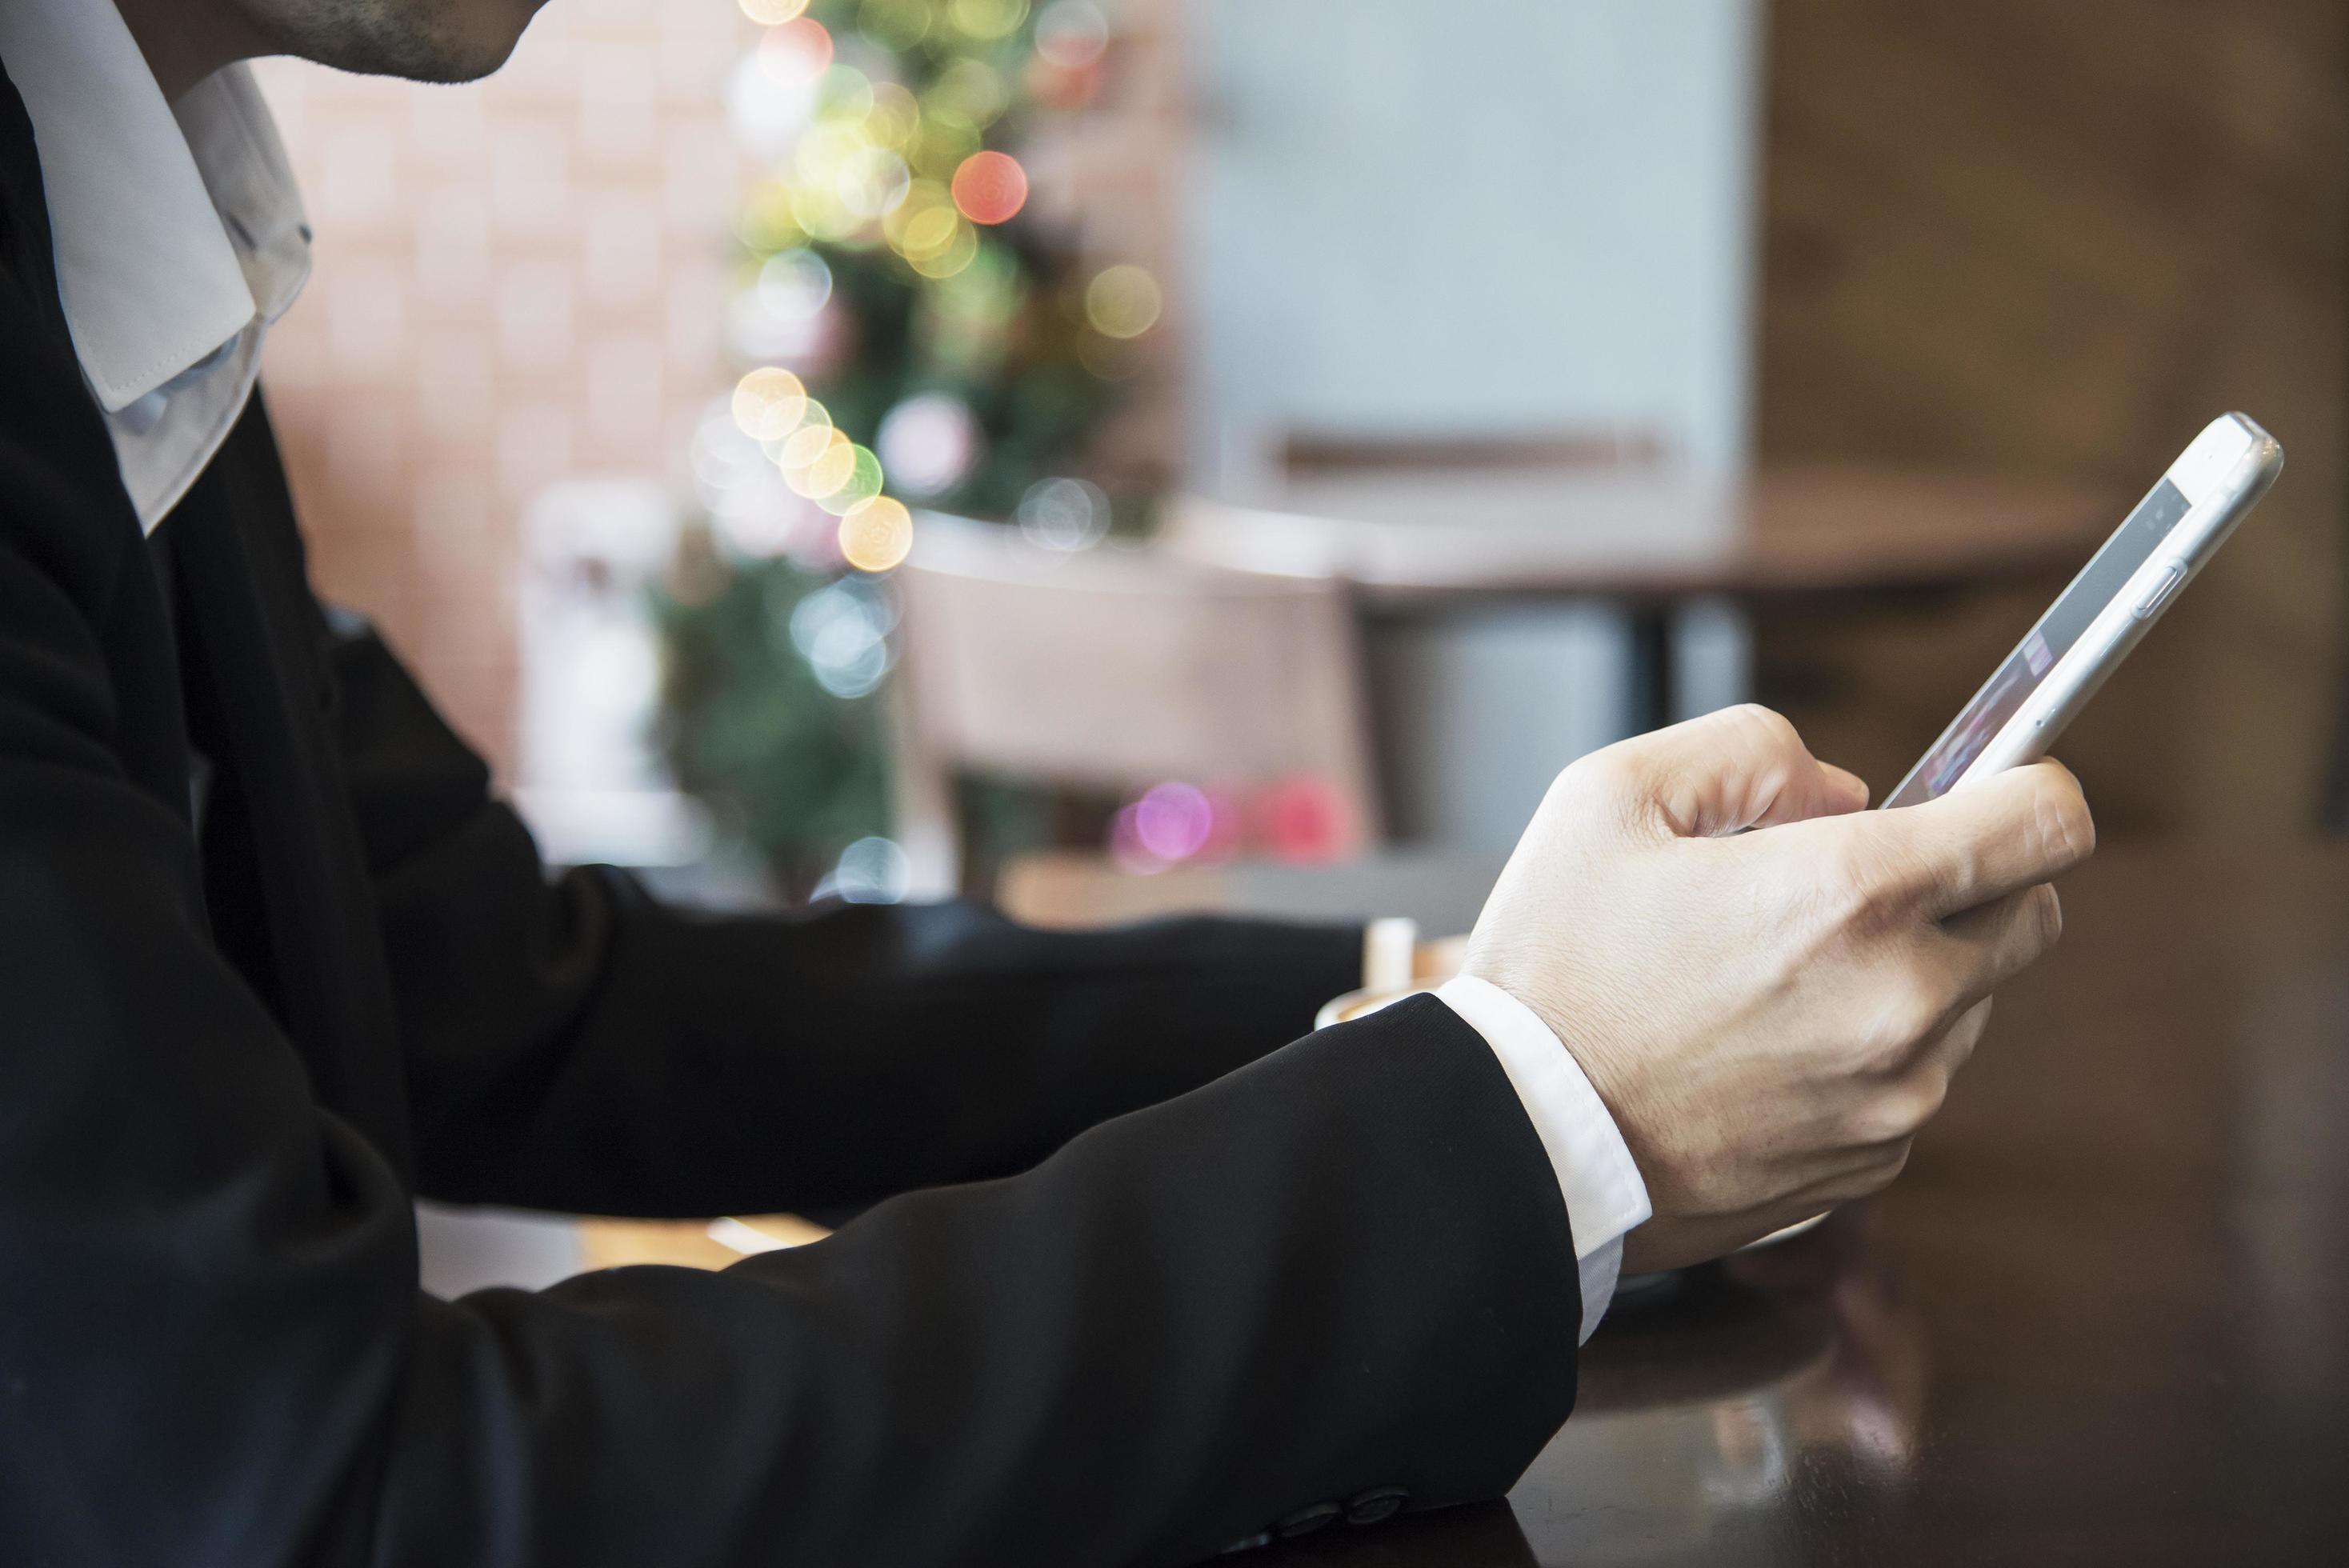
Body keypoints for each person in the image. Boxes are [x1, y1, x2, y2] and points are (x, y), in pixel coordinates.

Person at [0, 1, 2094, 1563]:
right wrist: (1543, 1121)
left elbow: (528, 991)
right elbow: (330, 1497)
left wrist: (1467, 996)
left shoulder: (128, 244)